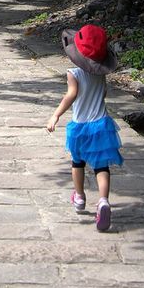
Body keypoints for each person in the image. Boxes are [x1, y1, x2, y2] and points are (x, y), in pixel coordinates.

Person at [46, 24, 124, 232]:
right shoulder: (100, 73)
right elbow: (104, 93)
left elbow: (71, 96)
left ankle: (79, 196)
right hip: (101, 124)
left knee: (77, 163)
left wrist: (56, 115)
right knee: (101, 167)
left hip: (80, 126)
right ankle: (103, 201)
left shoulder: (73, 73)